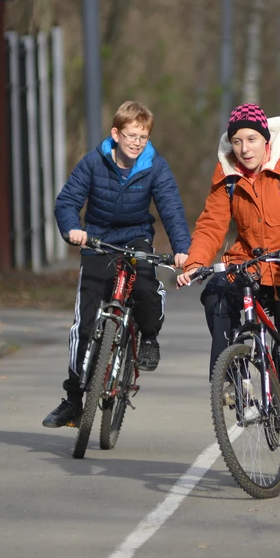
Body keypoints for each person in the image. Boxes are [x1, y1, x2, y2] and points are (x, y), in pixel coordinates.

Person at [176, 104, 280, 464]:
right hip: (249, 267)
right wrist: (195, 263)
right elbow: (211, 225)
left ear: (266, 140)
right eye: (236, 141)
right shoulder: (227, 178)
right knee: (216, 295)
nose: (244, 148)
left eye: (251, 139)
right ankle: (231, 379)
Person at [44, 101, 191, 428]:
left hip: (136, 239)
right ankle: (73, 400)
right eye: (131, 135)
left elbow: (172, 212)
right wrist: (73, 229)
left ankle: (149, 338)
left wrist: (183, 250)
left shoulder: (155, 167)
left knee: (145, 290)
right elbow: (67, 201)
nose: (137, 142)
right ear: (116, 133)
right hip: (97, 241)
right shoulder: (93, 162)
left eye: (143, 136)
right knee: (83, 326)